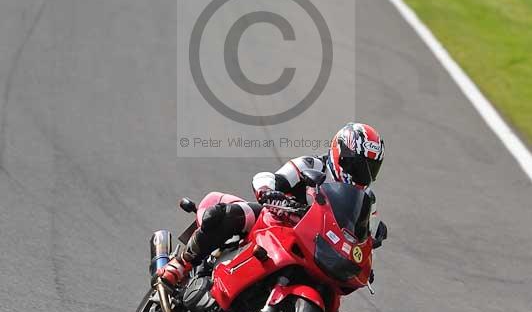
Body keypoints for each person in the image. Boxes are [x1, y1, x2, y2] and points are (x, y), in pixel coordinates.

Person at [157, 122, 387, 288]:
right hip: (276, 221)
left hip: (314, 245)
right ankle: (182, 264)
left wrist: (367, 255)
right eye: (358, 165)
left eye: (370, 168)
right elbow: (268, 178)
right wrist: (270, 193)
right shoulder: (313, 165)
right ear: (340, 154)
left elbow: (363, 235)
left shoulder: (366, 198)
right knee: (231, 214)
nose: (363, 174)